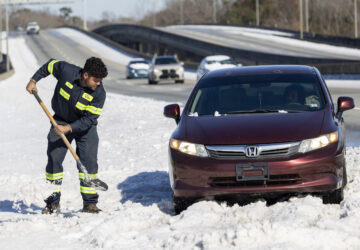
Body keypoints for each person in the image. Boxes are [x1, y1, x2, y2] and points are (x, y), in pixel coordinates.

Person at [26, 57, 108, 214]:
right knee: (54, 160)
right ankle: (52, 203)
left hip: (85, 128)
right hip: (59, 121)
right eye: (96, 80)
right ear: (85, 75)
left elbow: (90, 119)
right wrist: (33, 80)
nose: (98, 84)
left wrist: (69, 128)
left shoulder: (99, 94)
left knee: (89, 163)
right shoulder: (66, 71)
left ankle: (90, 204)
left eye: (100, 81)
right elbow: (49, 65)